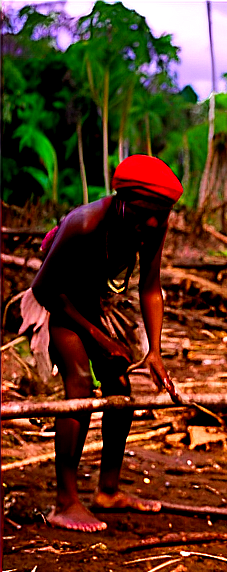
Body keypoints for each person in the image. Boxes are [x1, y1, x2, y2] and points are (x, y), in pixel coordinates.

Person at [20, 154, 183, 532]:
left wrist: (154, 351)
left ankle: (107, 490)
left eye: (162, 213)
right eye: (146, 212)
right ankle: (65, 502)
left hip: (89, 307)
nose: (155, 222)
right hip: (54, 303)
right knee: (79, 382)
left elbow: (150, 286)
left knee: (120, 387)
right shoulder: (85, 223)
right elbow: (45, 288)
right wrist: (98, 336)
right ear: (122, 199)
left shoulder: (153, 223)